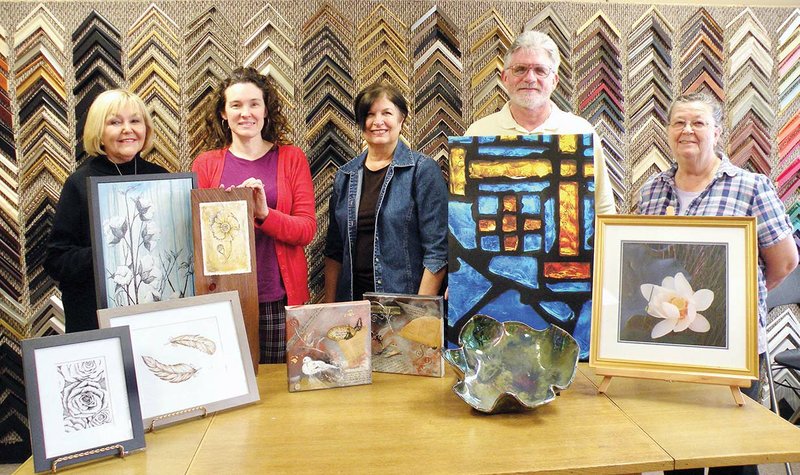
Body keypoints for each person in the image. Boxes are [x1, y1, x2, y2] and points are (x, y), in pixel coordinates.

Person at [639, 91, 799, 475]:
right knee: (678, 449)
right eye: (679, 122)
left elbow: (785, 262)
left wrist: (738, 302)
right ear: (668, 130)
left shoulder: (751, 187)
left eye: (698, 122)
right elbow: (642, 264)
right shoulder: (651, 191)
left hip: (733, 346)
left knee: (734, 453)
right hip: (671, 341)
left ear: (717, 131)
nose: (687, 130)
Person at [192, 67, 316, 364]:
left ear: (265, 110)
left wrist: (264, 214)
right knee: (231, 386)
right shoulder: (206, 164)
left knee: (279, 395)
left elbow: (306, 230)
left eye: (253, 104)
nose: (245, 112)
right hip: (223, 299)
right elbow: (195, 236)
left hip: (278, 298)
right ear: (223, 113)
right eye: (235, 105)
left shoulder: (291, 158)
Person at [45, 89, 168, 333]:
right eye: (115, 122)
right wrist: (107, 255)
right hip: (95, 320)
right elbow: (56, 261)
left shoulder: (161, 178)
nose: (127, 129)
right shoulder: (79, 183)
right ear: (98, 132)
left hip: (152, 317)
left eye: (135, 121)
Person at [465, 30, 616, 215]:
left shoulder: (581, 132)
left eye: (540, 70)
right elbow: (464, 207)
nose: (529, 78)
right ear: (505, 77)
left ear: (554, 80)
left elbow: (603, 208)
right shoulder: (477, 133)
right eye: (520, 69)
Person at [324, 82, 447, 302]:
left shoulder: (422, 170)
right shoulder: (346, 175)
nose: (377, 122)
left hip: (404, 305)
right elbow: (334, 251)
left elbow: (437, 251)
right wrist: (330, 309)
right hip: (353, 304)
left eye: (387, 113)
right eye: (370, 114)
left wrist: (418, 311)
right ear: (361, 123)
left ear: (401, 119)